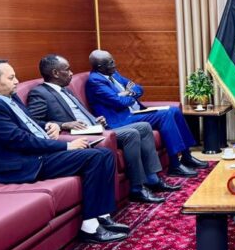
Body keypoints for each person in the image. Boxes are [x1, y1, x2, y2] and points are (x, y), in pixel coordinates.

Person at [0, 59, 130, 244]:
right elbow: (20, 140)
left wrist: (51, 124)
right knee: (94, 157)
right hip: (22, 164)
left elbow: (29, 123)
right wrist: (66, 146)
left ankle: (102, 216)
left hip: (39, 153)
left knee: (104, 154)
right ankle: (90, 227)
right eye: (11, 77)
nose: (17, 81)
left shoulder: (8, 97)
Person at [28, 54, 176, 204]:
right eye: (67, 69)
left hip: (94, 127)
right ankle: (137, 188)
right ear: (55, 73)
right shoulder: (39, 93)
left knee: (144, 127)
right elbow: (33, 123)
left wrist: (95, 119)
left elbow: (80, 113)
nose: (71, 73)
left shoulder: (66, 90)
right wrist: (62, 125)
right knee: (131, 134)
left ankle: (152, 179)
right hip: (77, 135)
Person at [85, 50, 208, 177]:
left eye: (113, 61)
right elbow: (120, 102)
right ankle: (175, 165)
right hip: (121, 119)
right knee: (166, 115)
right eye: (110, 63)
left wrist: (127, 93)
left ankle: (187, 156)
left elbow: (138, 88)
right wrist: (127, 94)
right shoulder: (95, 81)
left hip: (135, 112)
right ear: (100, 67)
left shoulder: (113, 73)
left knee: (175, 110)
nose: (114, 65)